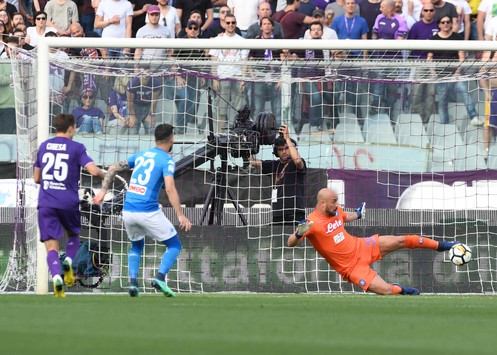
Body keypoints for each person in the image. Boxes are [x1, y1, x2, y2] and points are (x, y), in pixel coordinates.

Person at [287, 188, 459, 295]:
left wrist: (359, 214)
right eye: (334, 202)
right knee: (385, 291)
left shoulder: (336, 211)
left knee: (400, 240)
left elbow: (348, 216)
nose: (337, 204)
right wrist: (298, 234)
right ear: (323, 203)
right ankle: (400, 289)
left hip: (362, 246)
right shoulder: (311, 223)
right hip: (351, 268)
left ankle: (442, 245)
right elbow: (290, 243)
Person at [94, 124, 192, 297]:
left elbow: (112, 168)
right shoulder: (167, 160)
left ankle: (133, 284)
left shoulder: (142, 155)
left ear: (155, 139)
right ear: (172, 140)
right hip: (147, 211)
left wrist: (103, 191)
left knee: (137, 245)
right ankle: (160, 277)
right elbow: (169, 188)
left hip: (128, 211)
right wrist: (181, 215)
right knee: (174, 245)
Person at [34, 113, 106, 297]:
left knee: (51, 247)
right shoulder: (77, 148)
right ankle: (68, 261)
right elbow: (92, 170)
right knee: (73, 235)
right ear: (71, 128)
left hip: (46, 202)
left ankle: (57, 277)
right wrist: (106, 174)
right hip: (67, 201)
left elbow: (36, 178)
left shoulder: (43, 147)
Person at [427, 15, 482, 125]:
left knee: (464, 91)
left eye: (448, 22)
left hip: (456, 74)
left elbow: (461, 57)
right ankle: (444, 125)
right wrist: (433, 72)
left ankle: (473, 117)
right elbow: (429, 57)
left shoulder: (457, 37)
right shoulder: (434, 39)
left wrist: (456, 74)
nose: (446, 24)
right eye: (443, 22)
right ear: (439, 25)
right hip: (440, 75)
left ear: (451, 24)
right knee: (442, 102)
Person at [250, 125, 306, 225]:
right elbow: (252, 162)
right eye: (280, 149)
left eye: (287, 148)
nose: (284, 151)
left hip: (294, 214)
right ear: (276, 152)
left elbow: (297, 160)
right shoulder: (275, 165)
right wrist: (247, 144)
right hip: (277, 214)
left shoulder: (297, 163)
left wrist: (287, 138)